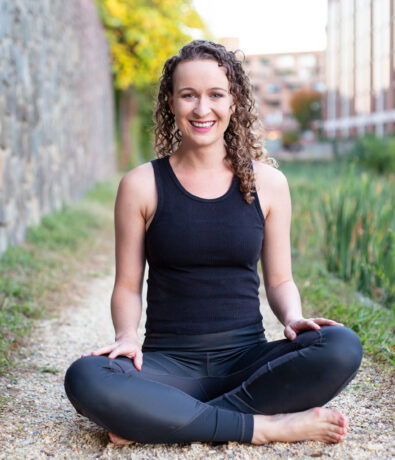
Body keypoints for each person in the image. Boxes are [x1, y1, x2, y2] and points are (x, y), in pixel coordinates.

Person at [64, 40, 363, 447]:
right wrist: (126, 337)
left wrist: (292, 317)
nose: (202, 110)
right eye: (188, 95)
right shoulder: (140, 185)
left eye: (215, 95)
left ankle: (159, 420)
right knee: (86, 376)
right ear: (171, 102)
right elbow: (127, 285)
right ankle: (266, 427)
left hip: (247, 363)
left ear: (234, 102)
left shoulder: (270, 184)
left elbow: (279, 280)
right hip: (167, 366)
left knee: (341, 346)